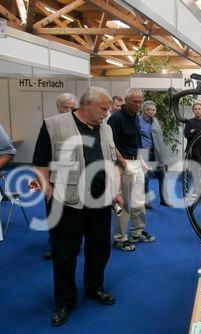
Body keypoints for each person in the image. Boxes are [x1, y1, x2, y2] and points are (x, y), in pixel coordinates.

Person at [32, 87, 124, 326]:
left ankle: (94, 288)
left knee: (99, 249)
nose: (108, 112)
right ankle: (65, 301)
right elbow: (40, 163)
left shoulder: (106, 128)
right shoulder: (54, 125)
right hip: (66, 202)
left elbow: (112, 161)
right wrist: (49, 193)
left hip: (100, 202)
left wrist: (116, 190)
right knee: (64, 254)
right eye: (104, 108)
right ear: (88, 105)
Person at [107, 87, 155, 252]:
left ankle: (137, 232)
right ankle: (120, 238)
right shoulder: (115, 119)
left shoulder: (136, 118)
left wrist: (141, 160)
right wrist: (122, 162)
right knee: (124, 204)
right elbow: (110, 145)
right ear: (126, 101)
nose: (138, 104)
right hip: (123, 164)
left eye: (140, 101)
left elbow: (136, 141)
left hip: (135, 162)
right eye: (135, 101)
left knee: (139, 201)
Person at [43, 92, 78, 260]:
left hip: (75, 178)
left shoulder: (79, 126)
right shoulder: (50, 125)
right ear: (58, 107)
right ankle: (54, 245)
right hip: (54, 178)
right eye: (66, 107)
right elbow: (41, 157)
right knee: (53, 214)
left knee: (74, 215)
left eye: (72, 108)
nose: (69, 111)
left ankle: (74, 243)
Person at [139, 100, 170, 208]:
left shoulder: (155, 121)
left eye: (155, 109)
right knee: (145, 178)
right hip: (144, 152)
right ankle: (146, 202)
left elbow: (160, 139)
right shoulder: (138, 122)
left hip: (156, 151)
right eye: (153, 110)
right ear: (146, 111)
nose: (155, 112)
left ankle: (164, 199)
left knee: (162, 175)